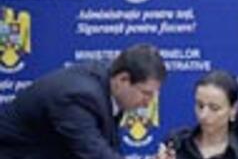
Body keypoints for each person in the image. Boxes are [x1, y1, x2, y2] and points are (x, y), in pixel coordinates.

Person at [0, 43, 167, 159]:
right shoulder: (80, 98)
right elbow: (95, 154)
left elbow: (107, 149)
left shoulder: (110, 86)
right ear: (123, 79)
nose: (148, 103)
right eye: (145, 93)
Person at [155, 69, 238, 159]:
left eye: (214, 108)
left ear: (233, 109)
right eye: (200, 106)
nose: (203, 115)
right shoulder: (177, 143)